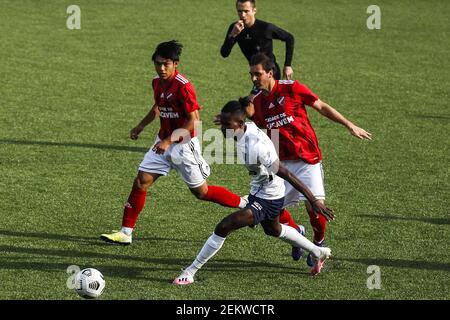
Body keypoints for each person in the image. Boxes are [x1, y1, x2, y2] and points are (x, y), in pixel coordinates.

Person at [100, 40, 247, 245]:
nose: (161, 68)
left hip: (183, 145)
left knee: (201, 192)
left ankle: (245, 203)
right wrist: (140, 126)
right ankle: (126, 232)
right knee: (141, 181)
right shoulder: (157, 82)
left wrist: (169, 141)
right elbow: (157, 107)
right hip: (163, 141)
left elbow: (194, 121)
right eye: (158, 63)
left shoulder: (183, 87)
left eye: (166, 64)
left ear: (175, 64)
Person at [173, 100, 334, 285]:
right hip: (259, 191)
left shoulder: (256, 146)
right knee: (274, 229)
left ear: (240, 124)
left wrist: (313, 200)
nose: (223, 129)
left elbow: (286, 173)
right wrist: (227, 119)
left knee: (225, 226)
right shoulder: (241, 129)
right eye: (222, 123)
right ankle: (318, 251)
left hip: (269, 197)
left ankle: (190, 271)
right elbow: (243, 111)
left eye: (227, 125)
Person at [245, 53, 372, 267]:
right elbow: (261, 132)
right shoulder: (256, 103)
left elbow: (320, 106)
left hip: (307, 158)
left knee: (316, 207)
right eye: (251, 75)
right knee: (270, 214)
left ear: (270, 73)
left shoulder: (291, 88)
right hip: (281, 165)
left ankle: (318, 244)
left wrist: (349, 125)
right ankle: (296, 235)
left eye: (257, 74)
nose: (254, 79)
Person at [220, 0, 295, 80]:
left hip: (270, 74)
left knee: (256, 93)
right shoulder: (235, 28)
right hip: (255, 75)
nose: (243, 15)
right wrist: (233, 35)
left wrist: (287, 65)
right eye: (240, 11)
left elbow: (289, 38)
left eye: (246, 11)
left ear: (254, 10)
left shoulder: (265, 28)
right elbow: (224, 53)